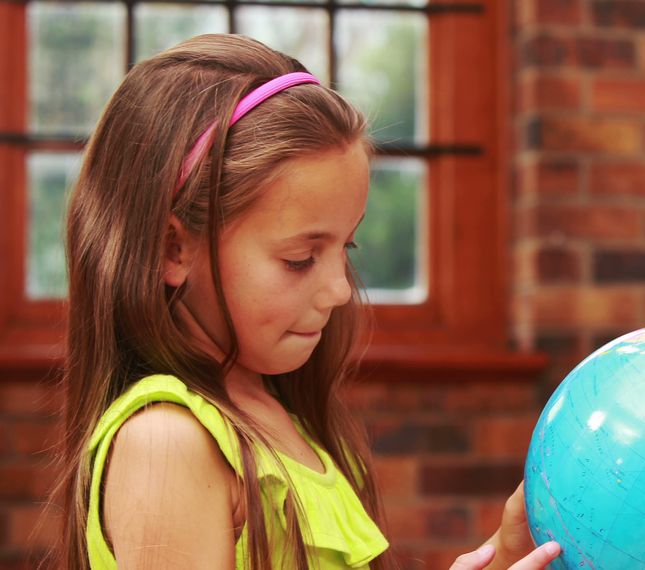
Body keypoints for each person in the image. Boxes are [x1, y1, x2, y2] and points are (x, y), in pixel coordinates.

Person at [49, 34, 560, 569]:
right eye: (299, 259)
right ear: (172, 248)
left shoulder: (282, 418)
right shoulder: (165, 442)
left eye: (347, 247)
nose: (341, 290)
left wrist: (500, 557)